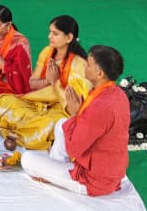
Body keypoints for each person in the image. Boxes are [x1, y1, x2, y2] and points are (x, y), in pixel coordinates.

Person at [22, 45, 130, 197]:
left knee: (27, 159)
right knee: (61, 124)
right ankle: (54, 171)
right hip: (111, 170)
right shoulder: (117, 94)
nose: (85, 66)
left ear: (100, 73)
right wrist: (79, 115)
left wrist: (74, 115)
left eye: (89, 64)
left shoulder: (100, 107)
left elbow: (74, 149)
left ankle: (52, 173)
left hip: (93, 181)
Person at [0, 15, 92, 150]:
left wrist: (55, 82)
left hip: (60, 110)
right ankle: (18, 133)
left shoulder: (79, 65)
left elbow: (73, 107)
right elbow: (32, 83)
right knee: (4, 101)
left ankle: (13, 133)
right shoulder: (47, 52)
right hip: (39, 101)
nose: (49, 36)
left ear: (69, 38)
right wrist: (48, 80)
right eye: (50, 32)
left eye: (55, 34)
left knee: (48, 124)